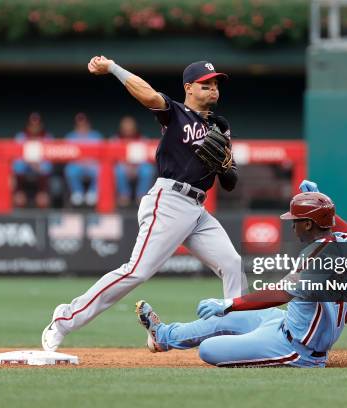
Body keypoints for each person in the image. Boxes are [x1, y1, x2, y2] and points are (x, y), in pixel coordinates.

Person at [41, 57, 245, 352]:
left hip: (197, 209)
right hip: (169, 201)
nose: (213, 89)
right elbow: (148, 95)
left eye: (216, 84)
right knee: (136, 270)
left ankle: (236, 333)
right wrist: (112, 68)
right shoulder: (175, 112)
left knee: (232, 263)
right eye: (206, 84)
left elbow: (230, 181)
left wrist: (225, 166)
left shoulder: (220, 126)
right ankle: (65, 318)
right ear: (189, 88)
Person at [135, 180, 347, 368]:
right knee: (225, 319)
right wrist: (322, 206)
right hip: (285, 323)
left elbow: (280, 294)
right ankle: (162, 336)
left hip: (297, 348)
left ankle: (251, 345)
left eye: (296, 221)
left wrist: (230, 303)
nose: (292, 226)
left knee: (208, 350)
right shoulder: (346, 243)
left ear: (308, 224)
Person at [13, 112, 53, 208]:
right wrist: (30, 163)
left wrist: (37, 165)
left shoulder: (47, 138)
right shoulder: (20, 137)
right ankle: (18, 218)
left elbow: (49, 164)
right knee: (18, 168)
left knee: (42, 200)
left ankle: (42, 217)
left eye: (37, 125)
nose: (34, 127)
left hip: (40, 175)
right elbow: (15, 164)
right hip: (23, 175)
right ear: (28, 125)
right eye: (32, 125)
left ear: (41, 125)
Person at [113, 115, 155, 206]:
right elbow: (114, 159)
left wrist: (135, 166)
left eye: (130, 127)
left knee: (147, 169)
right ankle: (124, 196)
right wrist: (126, 166)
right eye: (125, 127)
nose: (128, 130)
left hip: (138, 167)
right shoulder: (115, 140)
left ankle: (141, 196)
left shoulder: (143, 139)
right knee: (118, 170)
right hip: (123, 167)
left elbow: (146, 158)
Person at [63, 113, 103, 207]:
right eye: (79, 125)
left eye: (84, 124)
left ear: (88, 125)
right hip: (77, 165)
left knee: (100, 169)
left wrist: (91, 161)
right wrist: (80, 161)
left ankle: (93, 192)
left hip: (92, 165)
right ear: (76, 126)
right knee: (70, 169)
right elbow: (66, 155)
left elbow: (101, 155)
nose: (82, 127)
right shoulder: (70, 137)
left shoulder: (96, 136)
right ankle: (77, 193)